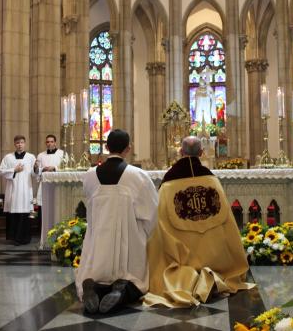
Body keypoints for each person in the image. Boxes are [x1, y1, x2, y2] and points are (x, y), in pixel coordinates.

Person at [143, 136, 253, 308]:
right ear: (202, 153)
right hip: (215, 255)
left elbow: (161, 221)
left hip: (181, 252)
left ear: (180, 152)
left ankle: (187, 278)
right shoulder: (211, 180)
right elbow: (228, 222)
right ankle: (213, 274)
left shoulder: (169, 183)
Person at [75, 129, 158, 314]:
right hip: (127, 243)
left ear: (106, 147)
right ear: (128, 149)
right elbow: (152, 214)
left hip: (97, 242)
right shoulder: (137, 176)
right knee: (135, 279)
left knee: (95, 273)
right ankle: (122, 290)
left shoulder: (90, 175)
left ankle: (94, 287)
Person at [0, 135, 37, 245]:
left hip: (26, 189)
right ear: (14, 144)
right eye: (17, 143)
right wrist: (14, 170)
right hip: (13, 190)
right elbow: (1, 171)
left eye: (21, 142)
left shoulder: (31, 157)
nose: (19, 145)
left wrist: (36, 168)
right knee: (14, 213)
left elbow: (35, 174)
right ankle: (14, 237)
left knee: (26, 213)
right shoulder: (8, 157)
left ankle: (25, 238)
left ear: (25, 143)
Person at [34, 134, 64, 207]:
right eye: (47, 142)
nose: (49, 143)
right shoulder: (40, 155)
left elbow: (66, 168)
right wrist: (42, 169)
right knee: (44, 205)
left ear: (55, 143)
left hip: (57, 183)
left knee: (56, 204)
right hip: (44, 184)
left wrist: (54, 168)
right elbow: (37, 171)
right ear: (45, 143)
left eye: (52, 142)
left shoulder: (62, 153)